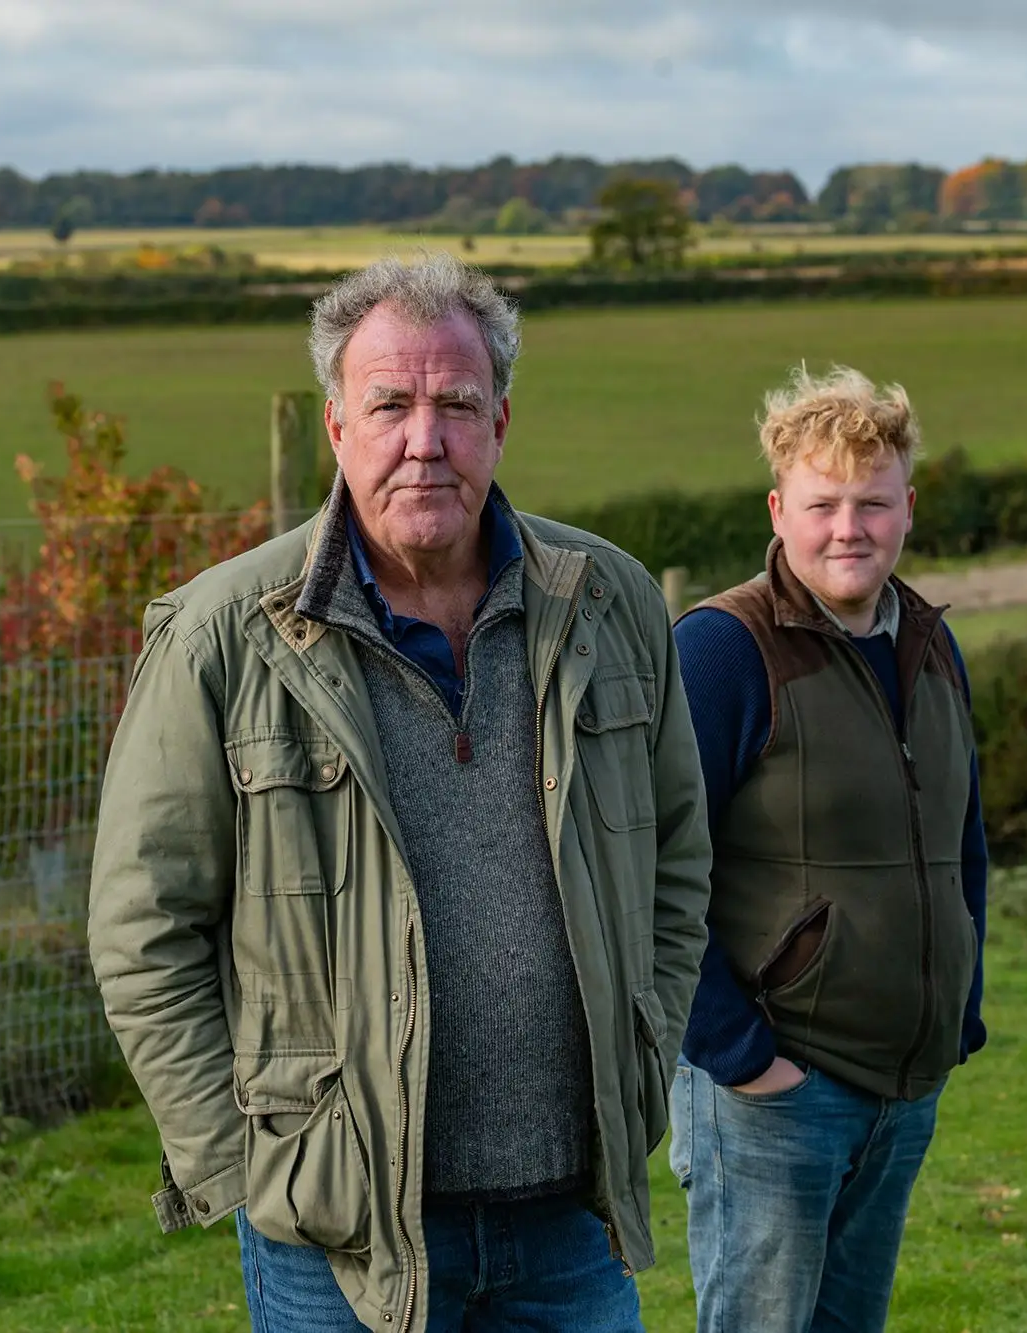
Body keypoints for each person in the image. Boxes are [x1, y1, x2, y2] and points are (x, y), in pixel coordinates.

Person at [87, 252, 711, 1333]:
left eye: (456, 406)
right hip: (337, 1233)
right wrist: (243, 1166)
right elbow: (143, 926)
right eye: (390, 404)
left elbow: (680, 859)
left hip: (570, 1215)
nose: (425, 440)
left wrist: (644, 1053)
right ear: (337, 427)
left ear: (501, 423)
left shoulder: (607, 604)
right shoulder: (225, 636)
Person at [668, 366, 989, 1333]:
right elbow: (647, 873)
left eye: (873, 503)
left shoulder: (930, 645)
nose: (849, 527)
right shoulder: (722, 650)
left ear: (908, 508)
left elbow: (962, 841)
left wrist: (957, 1015)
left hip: (904, 1090)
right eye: (823, 504)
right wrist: (738, 1056)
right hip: (773, 1093)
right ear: (778, 507)